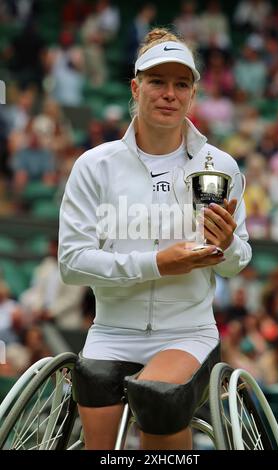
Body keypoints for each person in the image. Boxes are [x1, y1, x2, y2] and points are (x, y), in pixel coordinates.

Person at [58, 28, 252, 450]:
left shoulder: (217, 166)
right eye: (157, 82)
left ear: (193, 93)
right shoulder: (95, 166)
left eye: (181, 84)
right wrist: (158, 263)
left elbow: (236, 261)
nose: (169, 94)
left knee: (157, 396)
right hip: (109, 332)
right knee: (95, 404)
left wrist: (228, 244)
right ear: (136, 87)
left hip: (188, 333)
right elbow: (72, 264)